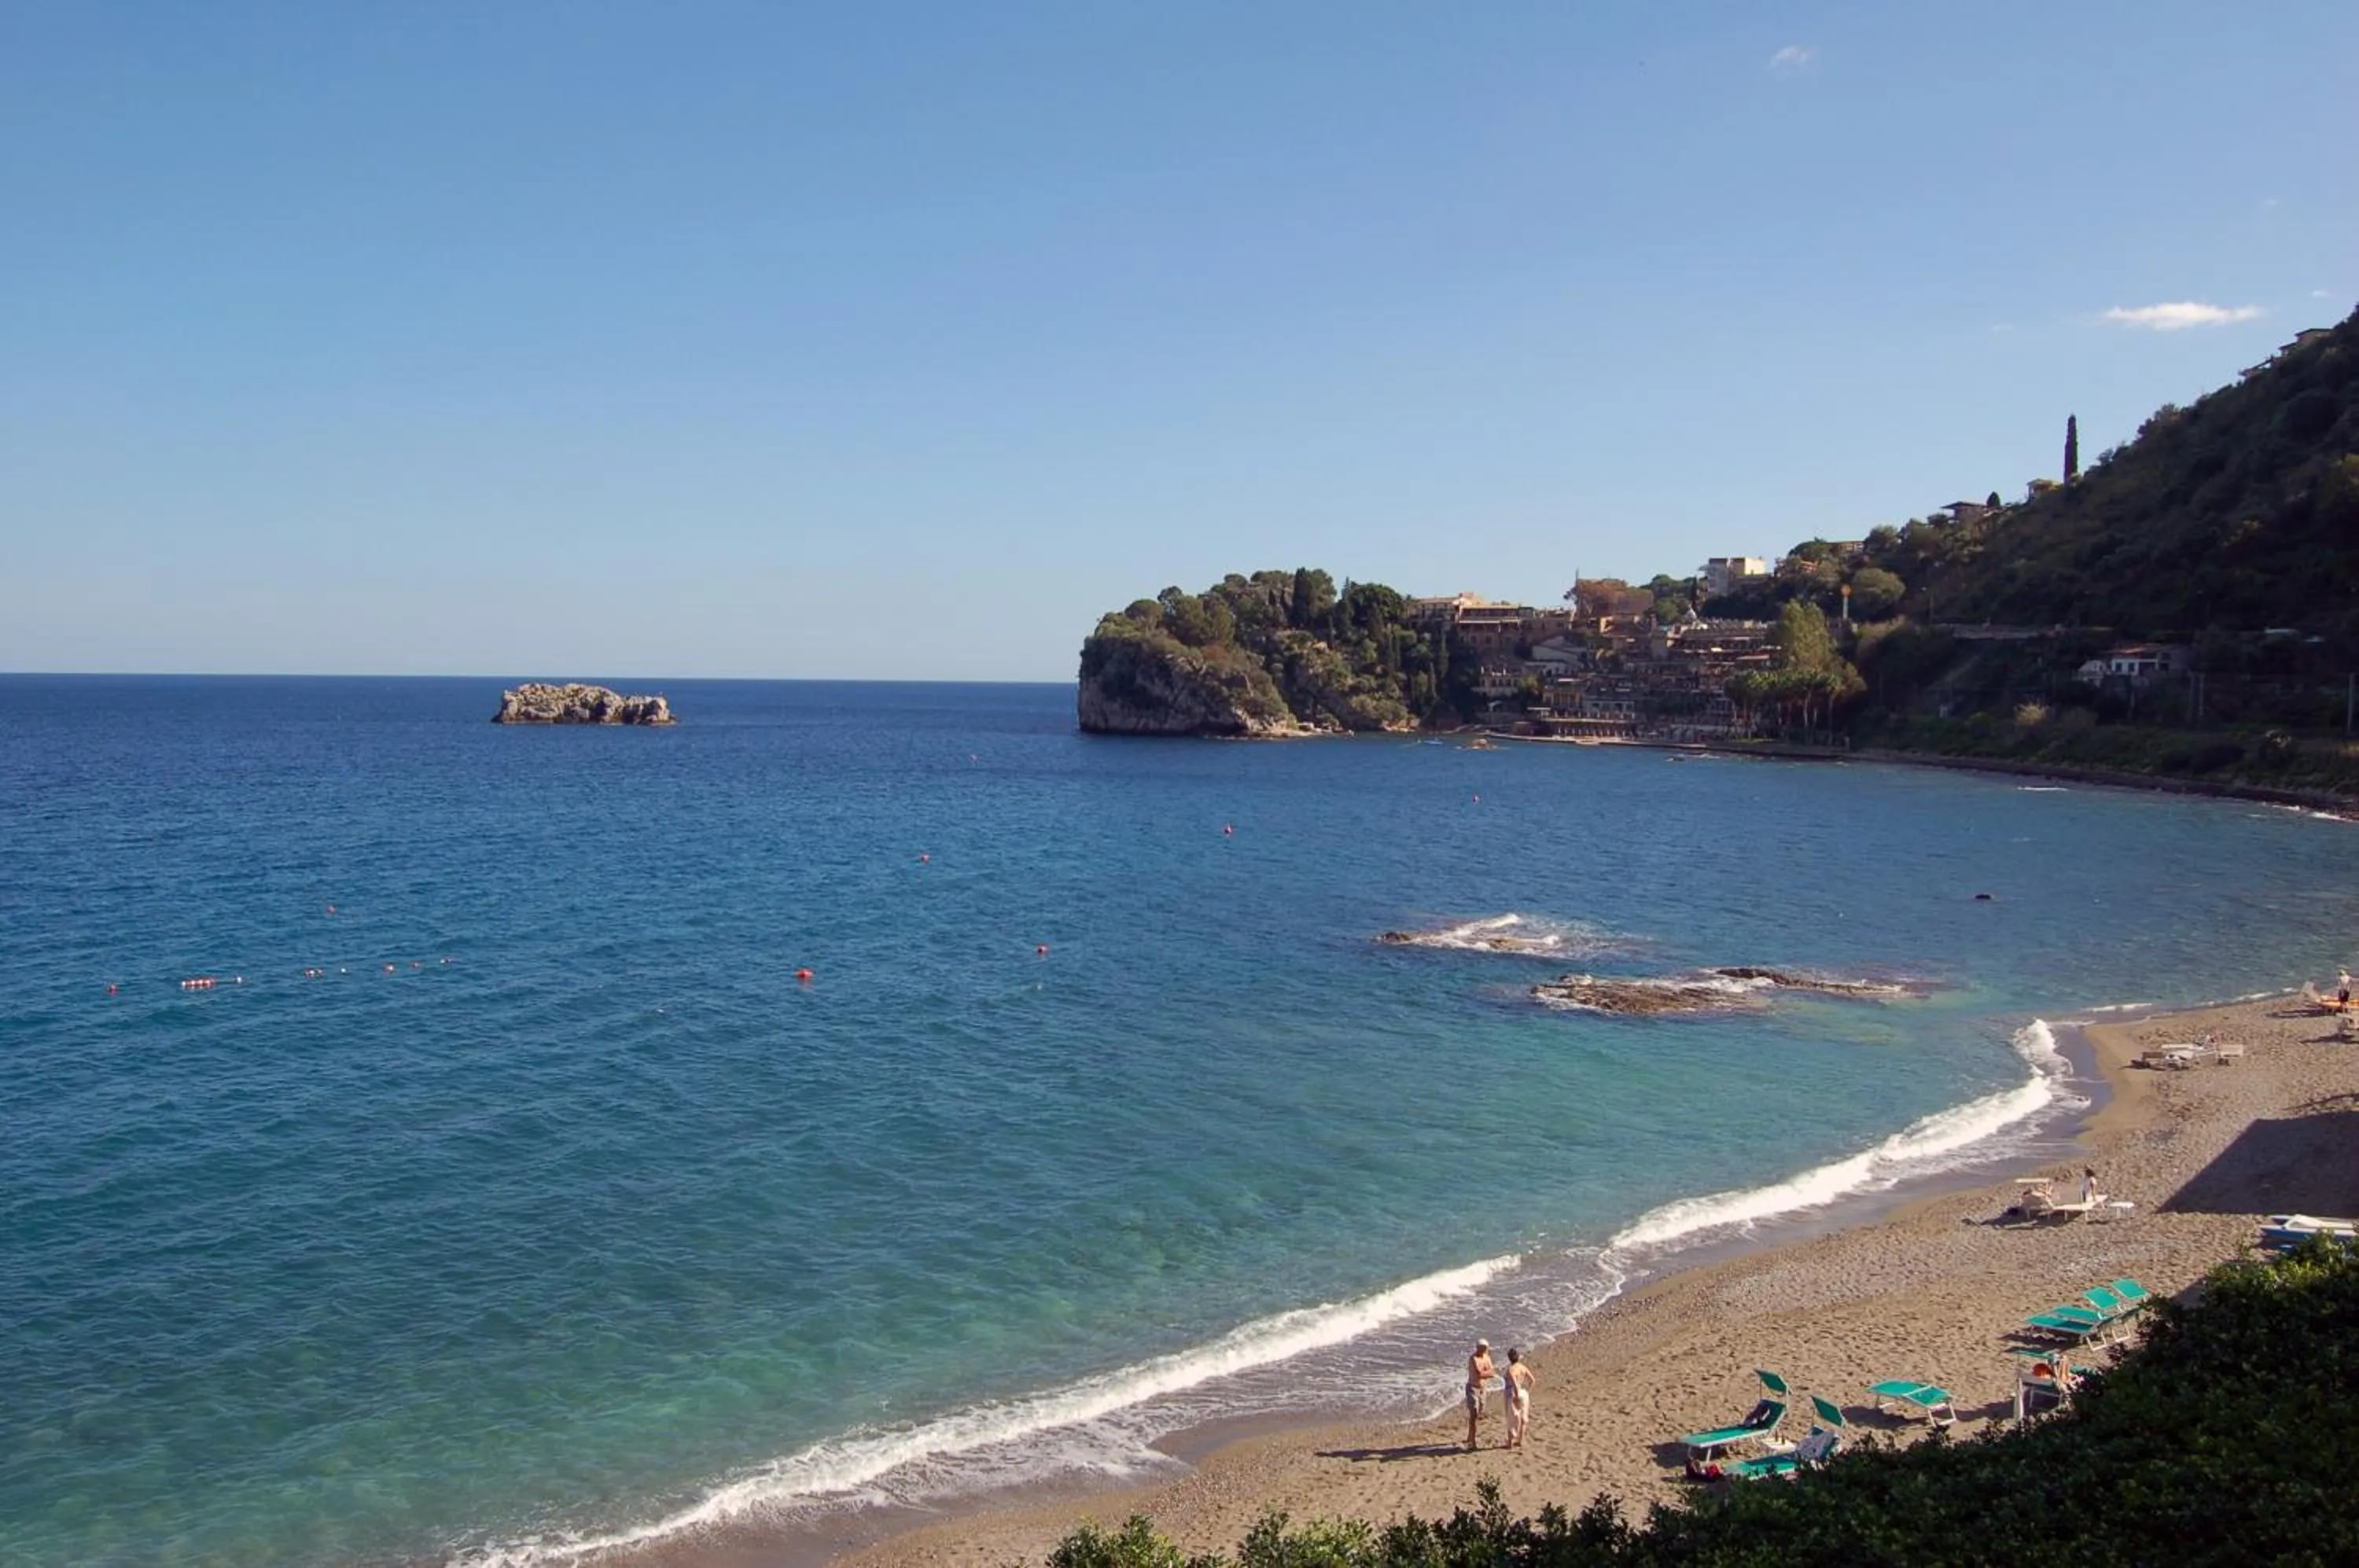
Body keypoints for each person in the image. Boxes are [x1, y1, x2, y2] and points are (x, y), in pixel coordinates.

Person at [1464, 1340, 1495, 1450]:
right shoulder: (1474, 1359)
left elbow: (1492, 1372)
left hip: (1483, 1389)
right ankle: (1472, 1441)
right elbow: (1479, 1373)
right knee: (1474, 1413)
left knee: (1479, 1413)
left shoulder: (1487, 1357)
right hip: (1473, 1388)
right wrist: (1486, 1372)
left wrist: (1486, 1373)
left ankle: (1470, 1436)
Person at [1503, 1347, 1535, 1448]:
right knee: (1523, 1417)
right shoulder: (1522, 1367)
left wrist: (1516, 1396)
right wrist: (1527, 1391)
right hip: (1523, 1393)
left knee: (1512, 1418)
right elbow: (1532, 1380)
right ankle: (1521, 1440)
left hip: (1512, 1393)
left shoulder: (1511, 1369)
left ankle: (1510, 1442)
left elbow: (1513, 1383)